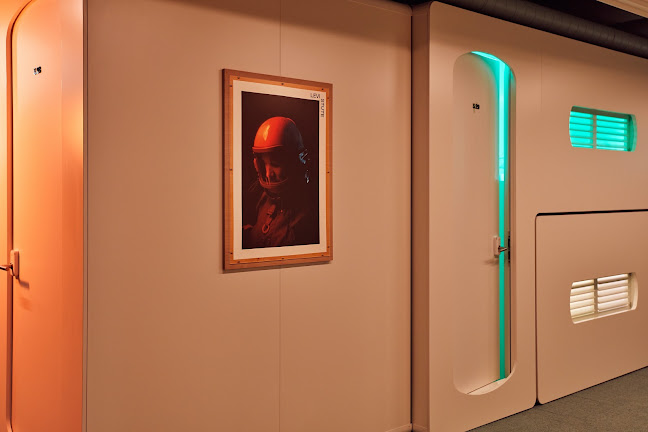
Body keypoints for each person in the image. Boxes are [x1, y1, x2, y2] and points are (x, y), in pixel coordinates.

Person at [242, 116, 319, 249]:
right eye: (263, 164)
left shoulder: (305, 220)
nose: (268, 174)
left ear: (295, 163)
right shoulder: (264, 198)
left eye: (275, 164)